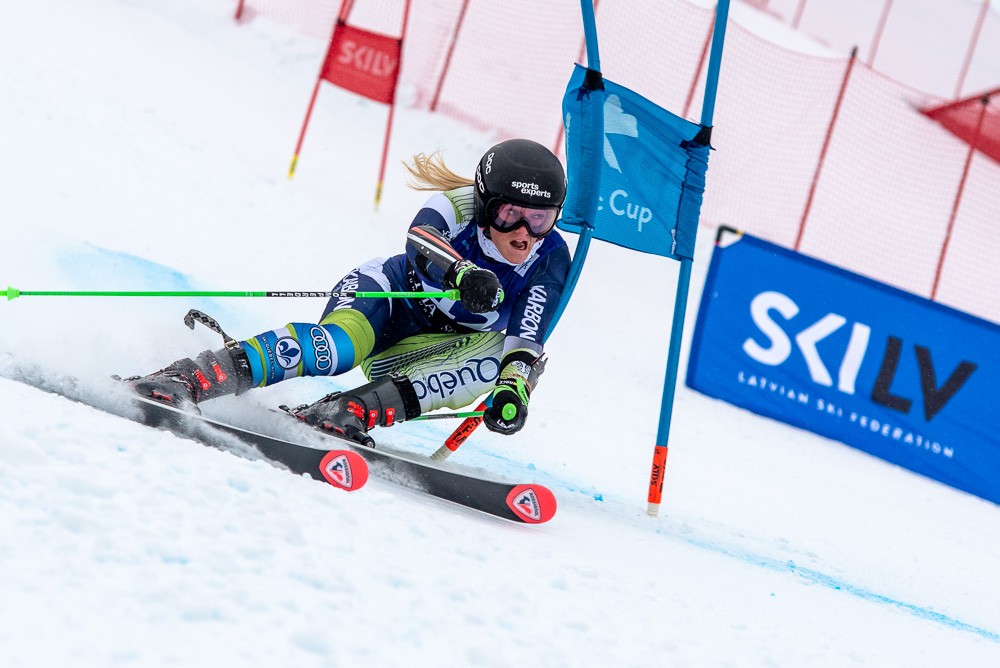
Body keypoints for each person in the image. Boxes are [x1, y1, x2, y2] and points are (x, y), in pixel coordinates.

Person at [130, 138, 571, 446]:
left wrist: (514, 386)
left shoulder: (549, 258)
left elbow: (527, 333)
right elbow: (419, 238)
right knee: (338, 349)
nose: (523, 233)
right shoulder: (459, 203)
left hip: (431, 350)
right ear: (486, 204)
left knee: (495, 362)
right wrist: (461, 272)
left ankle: (346, 410)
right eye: (510, 214)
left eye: (540, 219)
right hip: (387, 297)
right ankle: (188, 377)